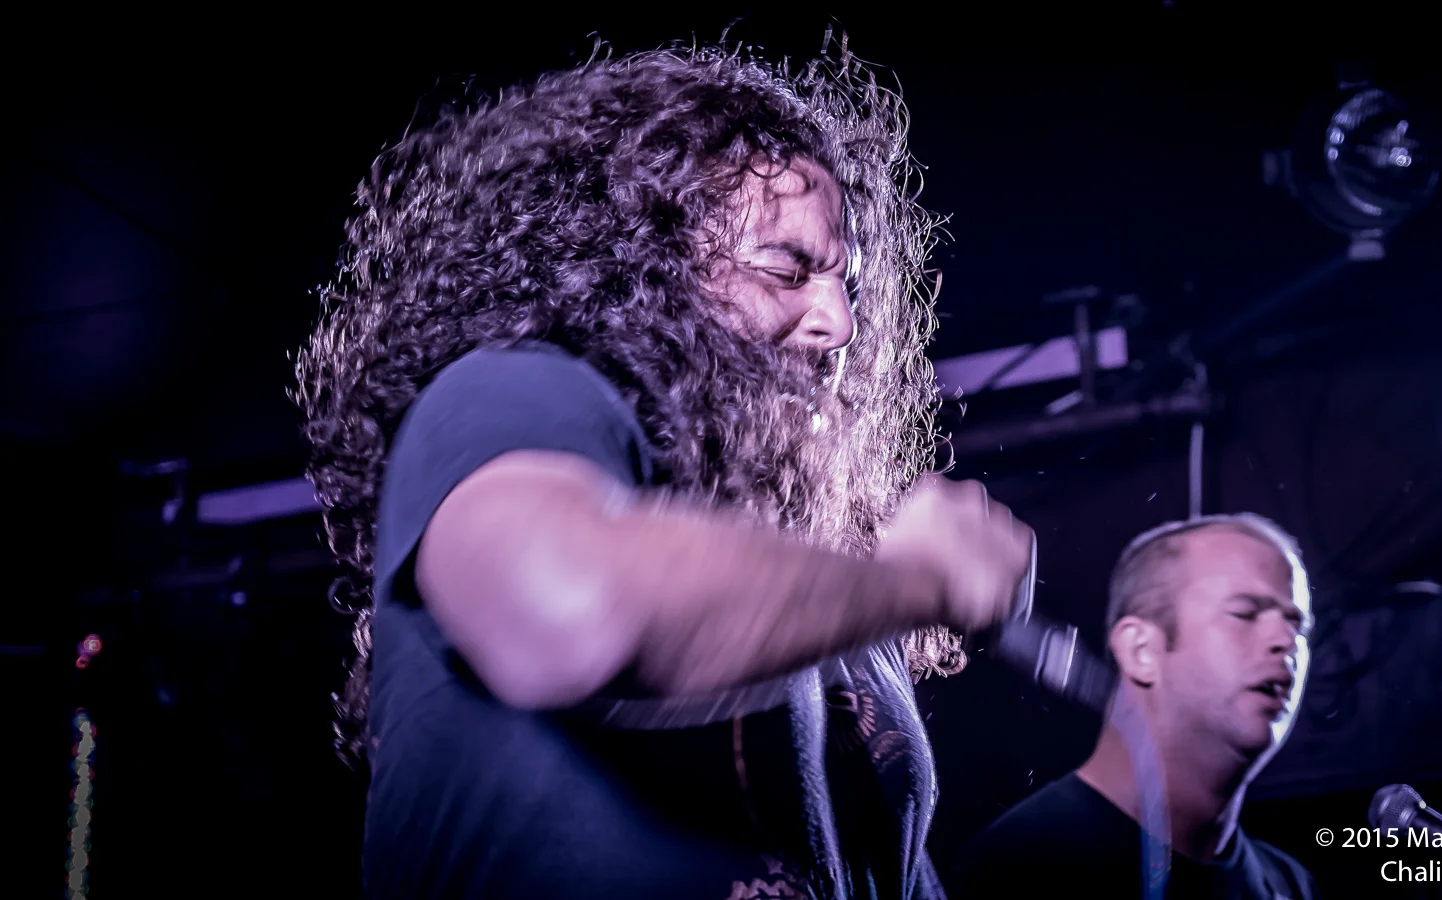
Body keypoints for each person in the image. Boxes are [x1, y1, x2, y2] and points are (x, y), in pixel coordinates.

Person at [294, 43, 1034, 900]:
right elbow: (567, 608)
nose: (837, 322)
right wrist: (917, 580)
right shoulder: (510, 394)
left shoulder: (827, 584)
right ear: (643, 266)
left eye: (848, 286)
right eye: (786, 269)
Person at [951, 514, 1321, 899]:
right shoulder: (1019, 869)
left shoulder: (1291, 886)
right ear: (1140, 650)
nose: (1286, 640)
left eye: (1300, 627)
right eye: (1244, 612)